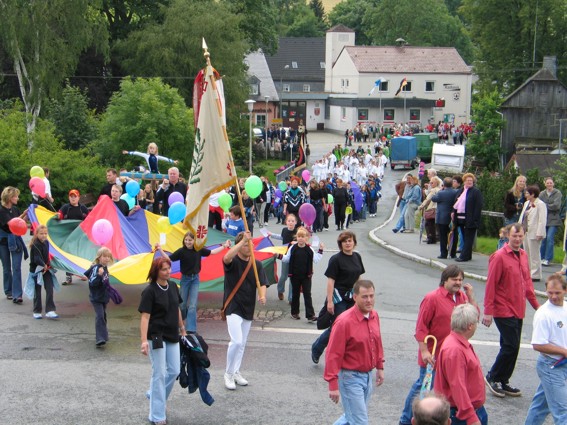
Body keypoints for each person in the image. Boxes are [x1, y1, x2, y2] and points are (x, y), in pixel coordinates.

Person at [399, 265, 477, 425]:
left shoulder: (462, 297)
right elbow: (421, 327)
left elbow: (473, 318)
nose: (458, 283)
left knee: (445, 391)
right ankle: (406, 420)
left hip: (452, 356)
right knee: (423, 387)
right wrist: (424, 351)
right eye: (454, 279)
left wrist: (471, 298)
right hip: (433, 355)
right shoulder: (432, 298)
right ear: (445, 280)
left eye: (461, 279)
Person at [482, 223, 540, 398]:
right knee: (510, 346)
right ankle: (492, 376)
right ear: (508, 236)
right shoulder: (499, 256)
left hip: (518, 309)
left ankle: (503, 380)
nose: (517, 239)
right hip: (502, 308)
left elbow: (527, 284)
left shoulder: (523, 255)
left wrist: (538, 307)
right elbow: (491, 284)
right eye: (514, 236)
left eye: (520, 236)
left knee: (512, 347)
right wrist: (488, 311)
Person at [324, 280, 384, 425]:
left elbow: (377, 342)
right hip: (350, 378)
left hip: (367, 376)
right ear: (355, 297)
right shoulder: (344, 322)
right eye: (364, 296)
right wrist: (332, 384)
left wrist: (380, 366)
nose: (369, 300)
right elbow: (333, 354)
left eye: (371, 296)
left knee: (351, 417)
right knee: (360, 421)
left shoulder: (374, 316)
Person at [139, 257, 186, 425]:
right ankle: (157, 415)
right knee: (159, 373)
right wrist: (144, 341)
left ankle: (155, 395)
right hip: (156, 335)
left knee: (174, 370)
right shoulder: (150, 291)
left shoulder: (173, 286)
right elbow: (145, 317)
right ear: (156, 271)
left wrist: (182, 329)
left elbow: (177, 308)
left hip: (172, 333)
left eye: (169, 268)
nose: (168, 272)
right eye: (164, 269)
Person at [156, 231, 230, 333]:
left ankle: (191, 329)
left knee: (192, 305)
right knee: (182, 304)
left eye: (190, 240)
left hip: (195, 279)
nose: (188, 242)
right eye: (186, 240)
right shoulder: (181, 251)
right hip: (185, 279)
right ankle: (179, 323)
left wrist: (225, 246)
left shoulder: (198, 250)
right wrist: (160, 249)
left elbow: (212, 252)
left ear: (194, 240)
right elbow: (169, 258)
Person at [222, 231, 267, 390]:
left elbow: (262, 282)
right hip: (233, 306)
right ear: (239, 246)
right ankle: (227, 374)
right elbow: (226, 258)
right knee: (236, 341)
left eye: (250, 243)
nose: (249, 246)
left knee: (243, 343)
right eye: (246, 244)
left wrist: (263, 295)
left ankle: (236, 371)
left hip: (248, 306)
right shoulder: (232, 261)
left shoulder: (256, 264)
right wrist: (242, 241)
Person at [311, 231, 365, 364]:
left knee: (351, 327)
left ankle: (345, 355)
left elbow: (358, 277)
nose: (348, 243)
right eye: (345, 241)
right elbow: (330, 281)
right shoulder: (336, 259)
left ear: (354, 242)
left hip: (352, 297)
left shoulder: (357, 257)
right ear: (340, 244)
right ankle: (317, 348)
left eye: (350, 240)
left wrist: (361, 296)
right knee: (337, 328)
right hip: (338, 298)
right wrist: (330, 301)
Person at [434, 303, 487, 425]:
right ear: (470, 326)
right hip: (461, 415)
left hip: (468, 411)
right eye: (476, 323)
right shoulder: (455, 350)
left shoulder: (457, 343)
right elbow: (457, 386)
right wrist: (471, 417)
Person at [524, 274, 567, 424]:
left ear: (565, 291)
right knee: (563, 412)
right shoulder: (543, 314)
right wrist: (563, 351)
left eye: (557, 293)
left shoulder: (565, 308)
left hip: (561, 364)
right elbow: (538, 344)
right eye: (550, 293)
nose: (553, 296)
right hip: (551, 366)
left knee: (541, 406)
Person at [282, 226, 324, 321]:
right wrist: (278, 256)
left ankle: (310, 315)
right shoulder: (293, 248)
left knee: (307, 294)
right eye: (299, 236)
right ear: (296, 237)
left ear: (306, 238)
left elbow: (316, 259)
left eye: (303, 236)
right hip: (295, 275)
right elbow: (287, 259)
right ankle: (294, 312)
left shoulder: (310, 249)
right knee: (295, 294)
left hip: (306, 276)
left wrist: (321, 250)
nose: (300, 238)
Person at [0, 186, 27, 304]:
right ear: (10, 197)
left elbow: (18, 223)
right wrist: (21, 217)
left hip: (16, 240)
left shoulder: (15, 209)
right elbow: (10, 225)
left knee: (16, 268)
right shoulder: (1, 210)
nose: (18, 198)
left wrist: (26, 214)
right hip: (3, 241)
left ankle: (17, 295)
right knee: (7, 268)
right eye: (16, 196)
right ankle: (9, 291)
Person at [59, 189, 90, 285]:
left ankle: (81, 272)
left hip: (80, 236)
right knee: (68, 255)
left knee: (80, 255)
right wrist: (58, 216)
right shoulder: (65, 208)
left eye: (75, 196)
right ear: (69, 198)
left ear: (78, 198)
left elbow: (89, 219)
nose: (73, 198)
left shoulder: (83, 208)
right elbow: (59, 216)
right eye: (71, 196)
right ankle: (68, 277)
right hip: (68, 236)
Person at [84, 247, 113, 346]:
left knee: (103, 316)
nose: (107, 259)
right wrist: (99, 275)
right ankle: (100, 338)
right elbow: (92, 283)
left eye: (109, 257)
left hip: (103, 297)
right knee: (100, 316)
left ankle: (104, 335)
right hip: (96, 298)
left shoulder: (104, 268)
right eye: (105, 256)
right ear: (99, 257)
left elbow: (105, 282)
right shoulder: (97, 268)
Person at [29, 225, 58, 319]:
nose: (44, 235)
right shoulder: (35, 244)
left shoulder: (46, 242)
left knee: (49, 289)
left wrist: (49, 264)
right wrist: (43, 265)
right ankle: (37, 311)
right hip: (36, 270)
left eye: (45, 233)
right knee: (37, 291)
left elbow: (47, 255)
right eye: (41, 233)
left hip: (46, 270)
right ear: (36, 234)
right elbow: (36, 258)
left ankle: (50, 310)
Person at [453, 173, 483, 262]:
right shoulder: (461, 190)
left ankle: (463, 256)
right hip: (460, 218)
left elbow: (478, 206)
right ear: (464, 181)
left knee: (469, 238)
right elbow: (456, 202)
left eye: (471, 180)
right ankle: (468, 255)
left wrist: (474, 219)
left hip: (470, 219)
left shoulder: (476, 192)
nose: (469, 182)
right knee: (465, 237)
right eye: (467, 180)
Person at [519, 185, 547, 281]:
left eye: (527, 193)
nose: (525, 194)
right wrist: (519, 229)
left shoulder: (540, 204)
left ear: (533, 194)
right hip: (526, 231)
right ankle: (528, 272)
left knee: (534, 254)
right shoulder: (527, 203)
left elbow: (542, 220)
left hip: (535, 232)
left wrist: (540, 232)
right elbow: (522, 217)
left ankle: (535, 274)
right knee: (527, 253)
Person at [269, 213, 298, 302]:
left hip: (295, 257)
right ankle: (280, 290)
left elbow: (302, 240)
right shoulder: (284, 230)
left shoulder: (297, 231)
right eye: (289, 221)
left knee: (292, 278)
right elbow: (281, 237)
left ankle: (291, 298)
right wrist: (271, 234)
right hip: (284, 256)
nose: (290, 222)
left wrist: (295, 243)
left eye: (292, 221)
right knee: (284, 276)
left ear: (296, 222)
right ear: (286, 222)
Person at [432, 177, 458, 259]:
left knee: (443, 236)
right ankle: (453, 253)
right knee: (454, 236)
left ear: (443, 184)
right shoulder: (456, 192)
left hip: (442, 218)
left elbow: (433, 198)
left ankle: (443, 254)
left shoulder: (441, 193)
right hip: (453, 218)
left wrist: (440, 190)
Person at [539, 177, 562, 267]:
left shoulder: (558, 193)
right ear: (545, 183)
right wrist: (548, 206)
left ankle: (548, 258)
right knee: (543, 238)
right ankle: (541, 257)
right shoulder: (542, 193)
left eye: (550, 183)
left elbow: (556, 206)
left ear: (553, 183)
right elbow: (538, 204)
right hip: (544, 219)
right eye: (547, 183)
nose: (549, 184)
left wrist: (544, 206)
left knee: (549, 238)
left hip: (553, 219)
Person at [418, 176, 442, 244]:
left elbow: (428, 199)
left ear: (436, 183)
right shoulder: (440, 189)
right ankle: (435, 237)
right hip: (438, 208)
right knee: (435, 224)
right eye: (430, 183)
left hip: (432, 208)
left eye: (432, 183)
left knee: (428, 224)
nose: (430, 184)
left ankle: (431, 238)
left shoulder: (433, 190)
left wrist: (421, 206)